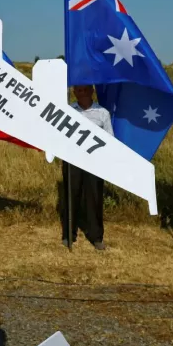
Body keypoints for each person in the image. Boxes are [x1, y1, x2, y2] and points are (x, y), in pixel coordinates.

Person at [60, 85, 113, 251]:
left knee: (94, 198)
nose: (81, 93)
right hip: (72, 160)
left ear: (92, 91)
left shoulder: (102, 113)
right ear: (74, 92)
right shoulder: (68, 110)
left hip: (95, 162)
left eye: (84, 90)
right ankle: (69, 235)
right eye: (78, 90)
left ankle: (96, 237)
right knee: (71, 195)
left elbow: (109, 139)